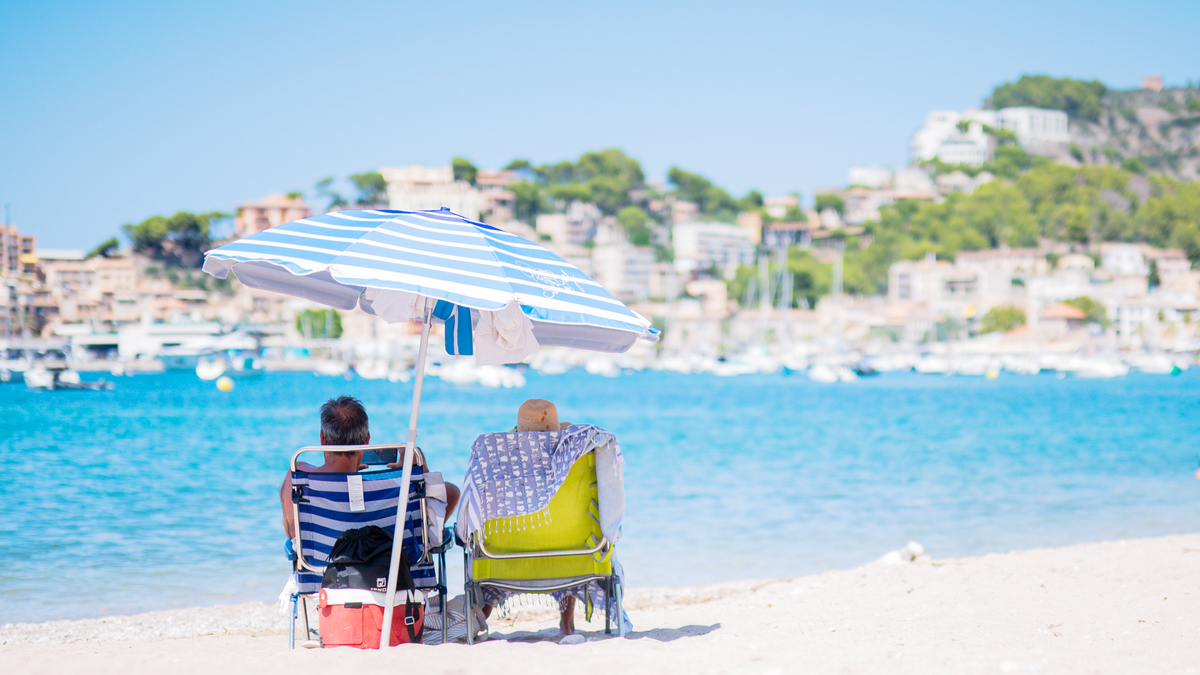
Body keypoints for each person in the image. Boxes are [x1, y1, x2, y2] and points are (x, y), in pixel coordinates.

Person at [280, 395, 460, 539]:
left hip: (322, 581)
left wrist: (340, 479)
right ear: (367, 440)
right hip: (394, 582)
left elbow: (291, 532)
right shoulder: (396, 487)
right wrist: (418, 474)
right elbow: (451, 496)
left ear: (322, 439)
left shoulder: (299, 474)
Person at [480, 398, 578, 635]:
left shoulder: (499, 467)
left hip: (505, 556)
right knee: (565, 532)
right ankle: (567, 623)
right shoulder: (575, 463)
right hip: (570, 553)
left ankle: (480, 616)